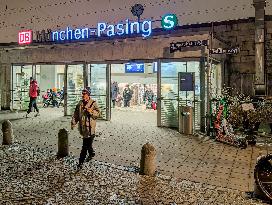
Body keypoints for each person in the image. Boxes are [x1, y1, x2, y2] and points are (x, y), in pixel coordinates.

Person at [71, 87, 101, 169]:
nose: (83, 95)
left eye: (85, 93)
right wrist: (73, 122)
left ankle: (80, 162)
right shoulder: (80, 103)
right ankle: (91, 153)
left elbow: (98, 114)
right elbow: (76, 114)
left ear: (88, 94)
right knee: (88, 145)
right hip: (83, 128)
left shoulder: (93, 103)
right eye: (82, 93)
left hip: (91, 129)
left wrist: (91, 111)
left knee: (84, 147)